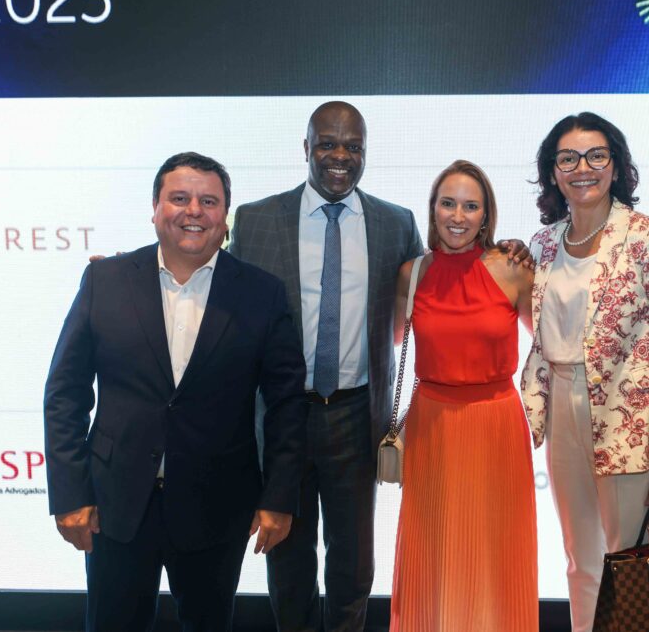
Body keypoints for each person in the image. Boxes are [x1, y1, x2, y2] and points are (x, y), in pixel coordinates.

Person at [228, 102, 533, 632]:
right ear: (306, 148)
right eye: (328, 144)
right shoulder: (255, 220)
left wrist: (511, 247)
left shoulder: (395, 224)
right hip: (282, 416)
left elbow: (448, 286)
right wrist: (139, 267)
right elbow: (214, 280)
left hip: (355, 414)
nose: (340, 156)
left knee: (353, 565)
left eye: (353, 147)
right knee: (288, 561)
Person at [44, 152, 308, 632]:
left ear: (225, 216)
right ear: (155, 208)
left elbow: (287, 404)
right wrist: (69, 493)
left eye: (209, 201)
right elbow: (65, 393)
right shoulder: (105, 280)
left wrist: (279, 497)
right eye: (180, 198)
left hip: (217, 506)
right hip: (116, 505)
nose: (194, 211)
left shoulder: (262, 294)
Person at [520, 113, 649, 632]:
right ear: (553, 173)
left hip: (630, 421)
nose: (583, 168)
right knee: (581, 561)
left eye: (596, 155)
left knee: (634, 562)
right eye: (568, 158)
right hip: (561, 410)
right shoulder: (543, 245)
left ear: (616, 166)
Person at [389, 160, 538, 632]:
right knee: (432, 548)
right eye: (448, 204)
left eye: (470, 206)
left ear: (486, 214)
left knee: (496, 550)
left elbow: (552, 344)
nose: (458, 216)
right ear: (432, 209)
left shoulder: (513, 270)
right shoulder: (411, 274)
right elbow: (388, 339)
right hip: (432, 426)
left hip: (497, 425)